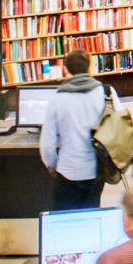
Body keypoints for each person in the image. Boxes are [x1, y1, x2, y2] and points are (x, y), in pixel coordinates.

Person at [39, 50, 108, 210]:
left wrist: (53, 166)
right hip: (96, 170)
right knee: (91, 215)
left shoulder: (56, 99)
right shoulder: (106, 93)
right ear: (89, 68)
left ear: (65, 69)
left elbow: (47, 145)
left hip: (68, 170)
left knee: (64, 218)